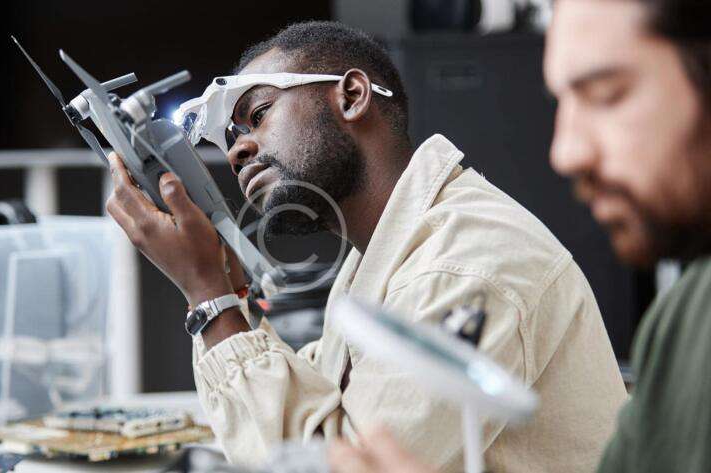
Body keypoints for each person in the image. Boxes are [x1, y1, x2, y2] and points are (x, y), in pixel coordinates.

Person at [105, 21, 626, 471]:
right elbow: (321, 410)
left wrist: (209, 298)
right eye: (231, 136)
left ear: (352, 96)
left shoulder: (463, 265)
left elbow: (337, 463)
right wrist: (229, 289)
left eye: (258, 114)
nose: (237, 149)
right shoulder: (381, 257)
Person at [329, 0, 711, 471]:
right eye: (561, 103)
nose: (565, 153)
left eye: (607, 94)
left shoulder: (469, 264)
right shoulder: (684, 315)